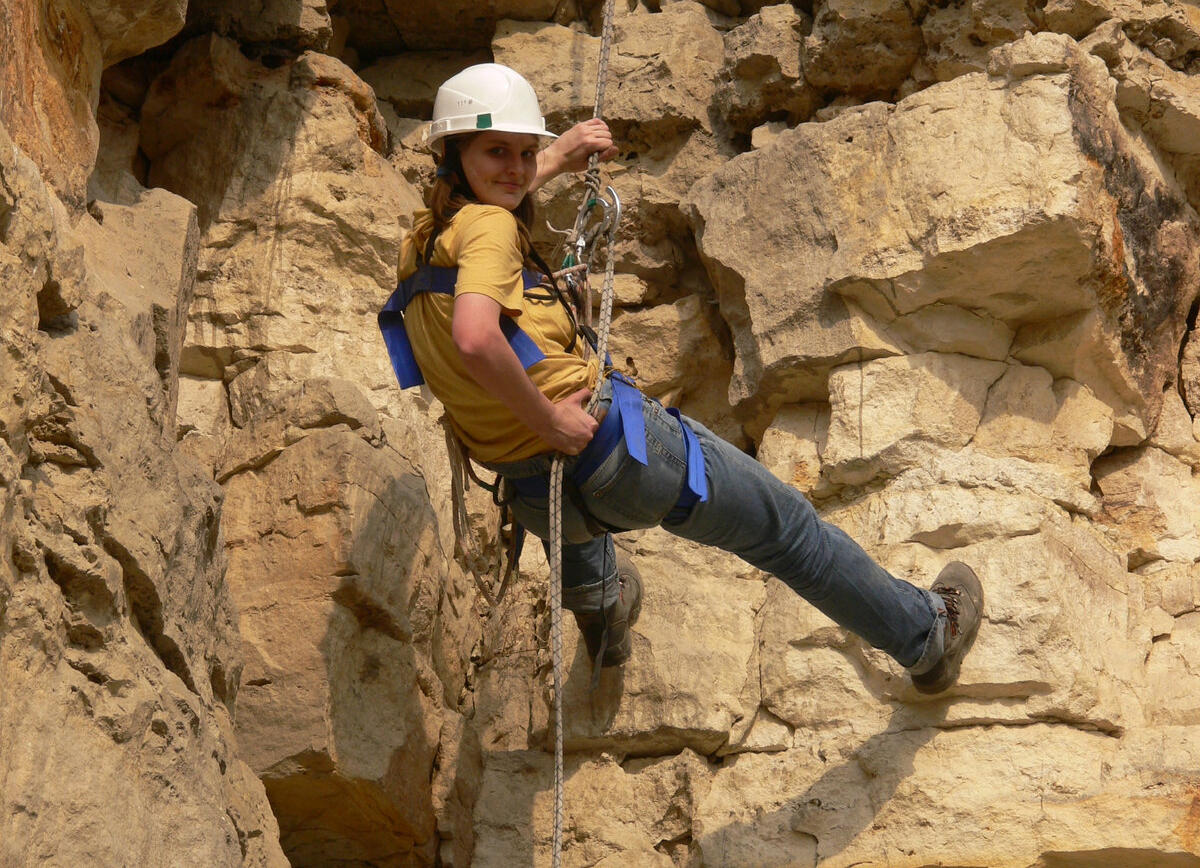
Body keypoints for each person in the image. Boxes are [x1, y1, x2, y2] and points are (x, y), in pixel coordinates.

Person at [385, 62, 983, 693]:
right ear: (455, 154)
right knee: (787, 534)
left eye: (524, 153)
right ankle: (925, 635)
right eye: (495, 152)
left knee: (572, 523)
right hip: (612, 448)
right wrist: (549, 416)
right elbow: (476, 336)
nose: (514, 167)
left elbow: (476, 277)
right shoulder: (493, 227)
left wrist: (555, 157)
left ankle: (605, 612)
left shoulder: (423, 243)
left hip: (535, 488)